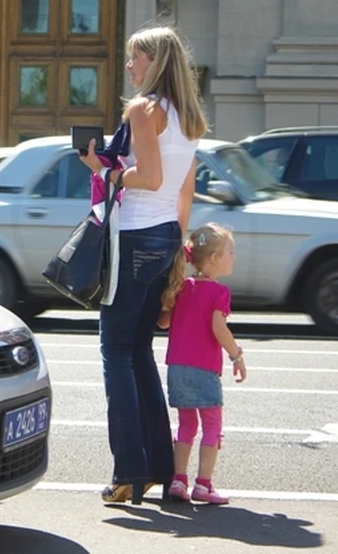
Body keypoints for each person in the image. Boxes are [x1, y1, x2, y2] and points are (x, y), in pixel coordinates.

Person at [79, 25, 208, 505]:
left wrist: (103, 169)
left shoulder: (143, 109)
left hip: (133, 238)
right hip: (165, 237)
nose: (129, 67)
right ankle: (154, 466)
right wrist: (175, 250)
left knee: (115, 351)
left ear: (153, 62)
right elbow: (183, 191)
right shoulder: (187, 116)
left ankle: (128, 472)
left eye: (134, 59)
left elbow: (149, 178)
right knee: (139, 351)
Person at [157, 223, 247, 504]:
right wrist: (237, 355)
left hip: (177, 368)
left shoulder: (183, 287)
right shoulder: (219, 293)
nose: (235, 257)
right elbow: (219, 329)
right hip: (205, 369)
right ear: (215, 259)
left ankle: (178, 480)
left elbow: (163, 323)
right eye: (231, 252)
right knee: (212, 426)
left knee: (186, 426)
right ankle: (203, 485)